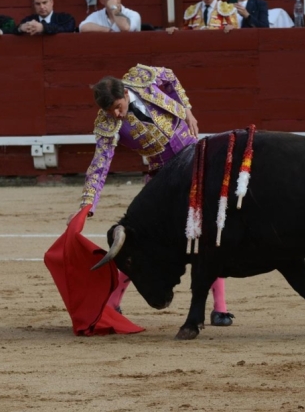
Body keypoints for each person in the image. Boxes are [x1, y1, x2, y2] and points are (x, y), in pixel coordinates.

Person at [67, 64, 235, 327]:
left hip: (196, 161)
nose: (116, 115)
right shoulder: (108, 123)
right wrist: (88, 203)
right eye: (109, 111)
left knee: (208, 234)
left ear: (125, 93)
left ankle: (221, 308)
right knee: (142, 243)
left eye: (118, 107)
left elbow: (169, 76)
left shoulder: (141, 78)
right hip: (163, 177)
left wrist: (187, 109)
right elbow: (100, 165)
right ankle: (112, 304)